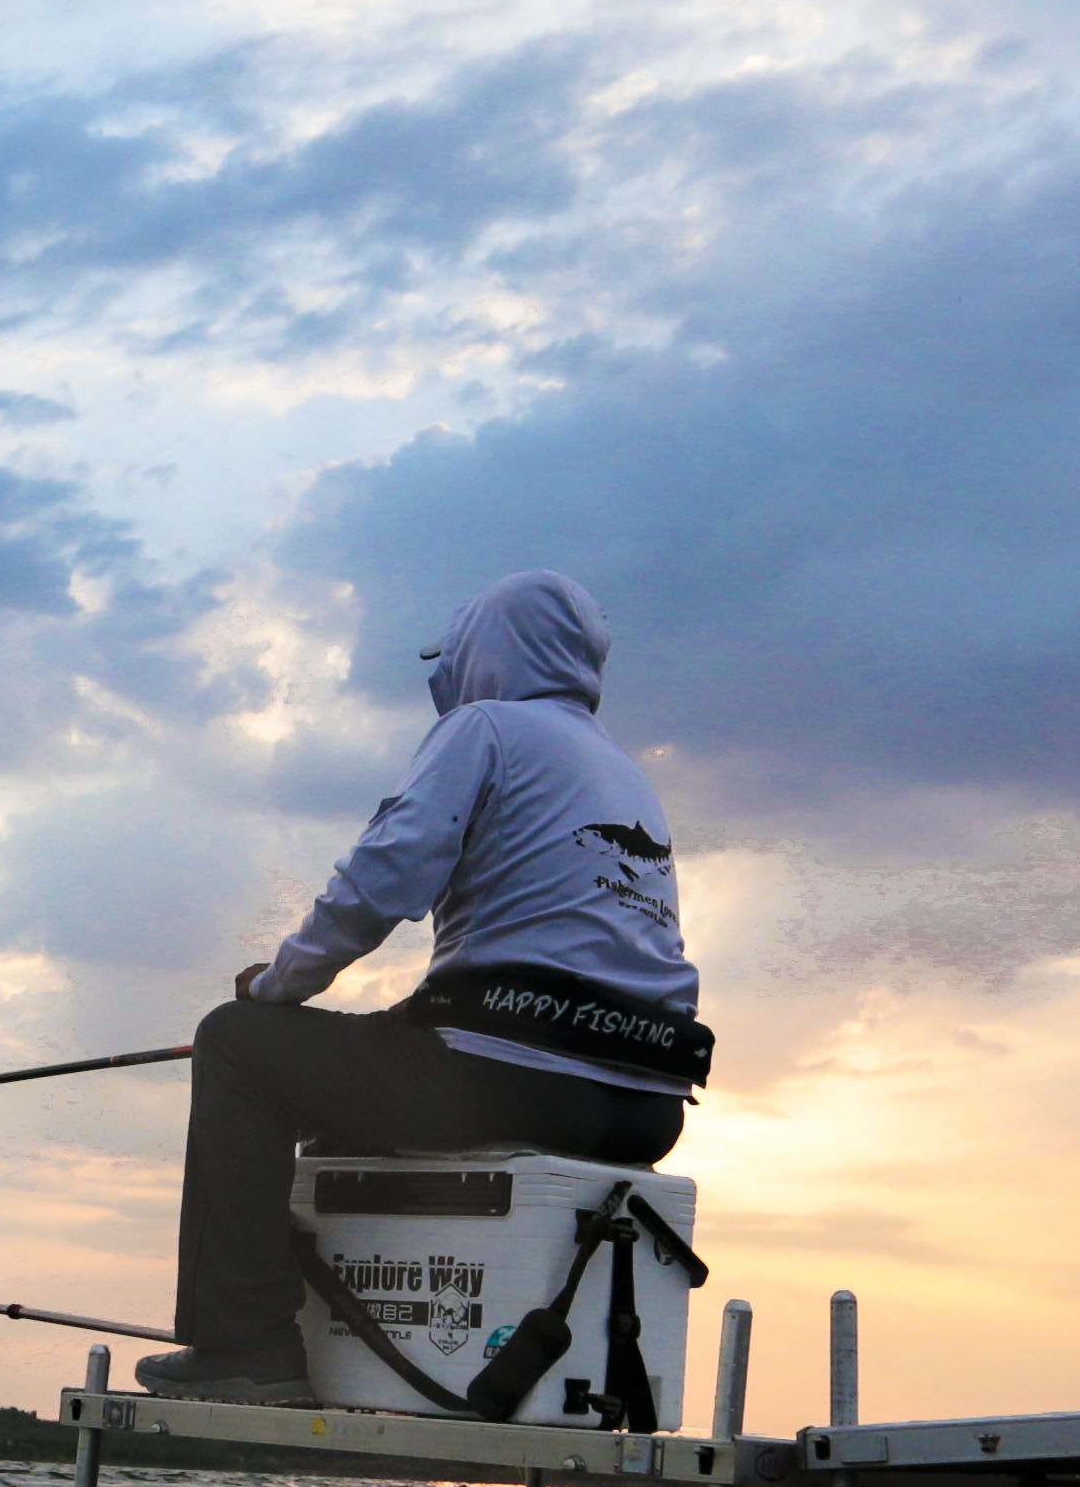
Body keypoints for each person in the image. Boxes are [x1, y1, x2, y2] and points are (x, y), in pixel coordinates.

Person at [141, 569, 709, 1399]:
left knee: (236, 1044)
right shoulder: (624, 774)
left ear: (488, 649)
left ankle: (248, 1350)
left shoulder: (486, 728)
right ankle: (366, 1340)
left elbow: (384, 878)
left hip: (502, 1082)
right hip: (643, 1114)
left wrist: (277, 986)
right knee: (358, 1075)